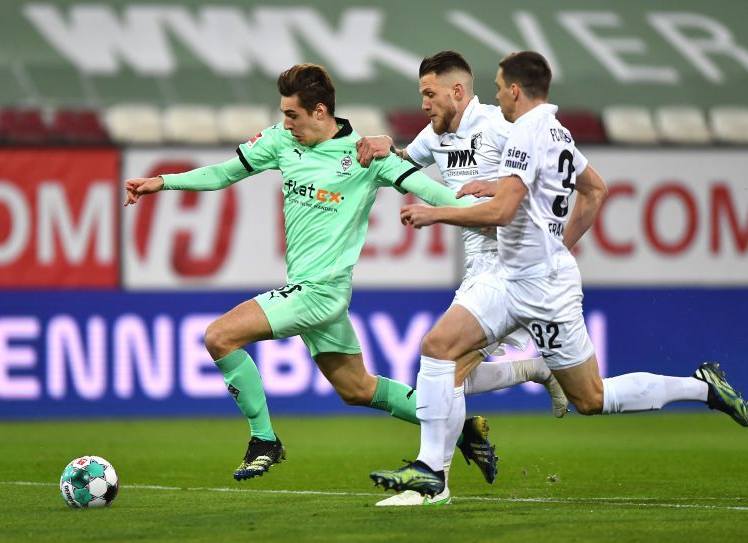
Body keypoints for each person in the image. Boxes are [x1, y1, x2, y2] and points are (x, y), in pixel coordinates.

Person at [122, 63, 551, 490]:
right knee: (359, 389)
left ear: (320, 111)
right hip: (311, 293)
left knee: (219, 336)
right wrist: (163, 182)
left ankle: (264, 440)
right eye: (283, 113)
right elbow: (222, 173)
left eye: (293, 115)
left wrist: (499, 213)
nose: (285, 123)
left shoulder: (366, 158)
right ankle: (462, 430)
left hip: (321, 292)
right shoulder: (278, 142)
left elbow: (437, 194)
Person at [370, 51, 748, 498]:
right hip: (508, 277)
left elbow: (503, 211)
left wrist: (439, 215)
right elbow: (593, 189)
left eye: (498, 86)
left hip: (543, 288)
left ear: (514, 90)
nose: (495, 94)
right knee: (439, 351)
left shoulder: (516, 132)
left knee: (590, 399)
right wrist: (554, 241)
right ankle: (431, 474)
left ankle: (700, 387)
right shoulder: (554, 130)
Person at [355, 51, 568, 507]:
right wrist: (381, 144)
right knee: (447, 378)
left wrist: (498, 194)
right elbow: (398, 162)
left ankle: (433, 481)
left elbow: (547, 168)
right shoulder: (435, 135)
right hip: (477, 268)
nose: (424, 104)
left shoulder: (498, 126)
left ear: (458, 91)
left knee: (440, 367)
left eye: (430, 94)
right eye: (421, 95)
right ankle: (534, 369)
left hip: (509, 267)